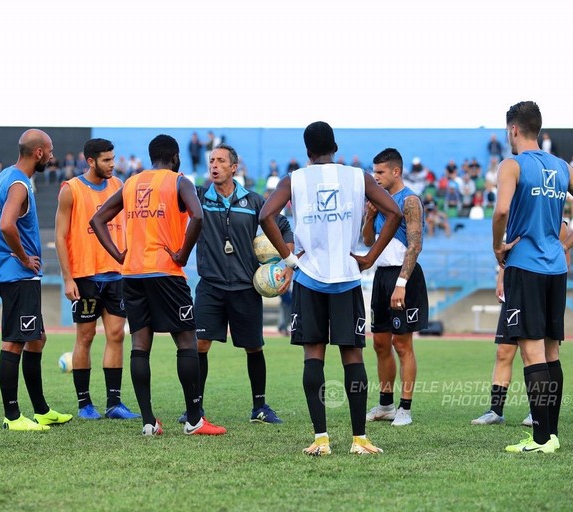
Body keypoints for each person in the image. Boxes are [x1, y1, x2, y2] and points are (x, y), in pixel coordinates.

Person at [259, 121, 402, 456]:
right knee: (352, 355)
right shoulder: (358, 177)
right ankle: (359, 439)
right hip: (347, 278)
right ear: (335, 147)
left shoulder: (294, 179)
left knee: (314, 355)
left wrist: (289, 259)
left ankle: (321, 438)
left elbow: (266, 215)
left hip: (309, 278)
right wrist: (369, 257)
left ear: (308, 151)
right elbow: (394, 212)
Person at [90, 134, 226, 437]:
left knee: (140, 345)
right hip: (166, 272)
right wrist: (182, 254)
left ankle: (149, 422)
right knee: (187, 342)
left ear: (152, 157)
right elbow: (199, 216)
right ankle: (194, 420)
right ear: (175, 157)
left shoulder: (131, 183)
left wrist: (119, 255)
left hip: (133, 274)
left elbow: (98, 219)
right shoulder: (179, 181)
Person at [493, 101, 573, 453]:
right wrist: (566, 243)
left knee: (531, 352)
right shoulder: (561, 167)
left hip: (525, 267)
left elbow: (501, 210)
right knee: (552, 351)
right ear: (537, 129)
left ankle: (541, 439)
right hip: (556, 269)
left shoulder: (511, 165)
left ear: (513, 129)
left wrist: (498, 246)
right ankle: (550, 435)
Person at [179, 143, 294, 425]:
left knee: (254, 347)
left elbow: (284, 226)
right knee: (200, 345)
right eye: (211, 161)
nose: (214, 165)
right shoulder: (199, 198)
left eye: (220, 161)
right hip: (211, 286)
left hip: (245, 287)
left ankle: (260, 407)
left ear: (234, 167)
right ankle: (195, 409)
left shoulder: (254, 202)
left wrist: (287, 264)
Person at [0, 129, 73, 432]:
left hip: (14, 272)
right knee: (14, 342)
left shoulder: (6, 176)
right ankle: (12, 417)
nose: (51, 157)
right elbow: (6, 224)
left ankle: (41, 410)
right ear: (38, 153)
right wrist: (24, 258)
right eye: (49, 151)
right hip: (17, 274)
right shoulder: (19, 184)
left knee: (37, 339)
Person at [54, 138, 140, 420]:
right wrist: (68, 279)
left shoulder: (120, 187)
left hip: (116, 274)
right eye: (106, 160)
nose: (112, 164)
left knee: (116, 335)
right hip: (86, 275)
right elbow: (60, 236)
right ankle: (84, 404)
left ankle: (114, 403)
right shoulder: (72, 189)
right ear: (90, 161)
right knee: (86, 337)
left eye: (113, 158)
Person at [473, 222, 569, 427]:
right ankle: (495, 410)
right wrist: (501, 280)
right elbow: (508, 253)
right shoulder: (518, 219)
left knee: (538, 354)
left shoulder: (559, 224)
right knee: (503, 352)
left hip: (539, 291)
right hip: (516, 290)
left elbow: (564, 258)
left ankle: (538, 411)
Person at [362, 148, 428, 427]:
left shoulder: (409, 200)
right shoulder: (378, 201)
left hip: (405, 277)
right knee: (379, 343)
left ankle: (405, 408)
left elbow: (415, 245)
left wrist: (401, 283)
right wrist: (369, 216)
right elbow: (368, 242)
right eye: (374, 172)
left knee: (402, 344)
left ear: (395, 172)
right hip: (381, 277)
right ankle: (386, 404)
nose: (375, 177)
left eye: (380, 172)